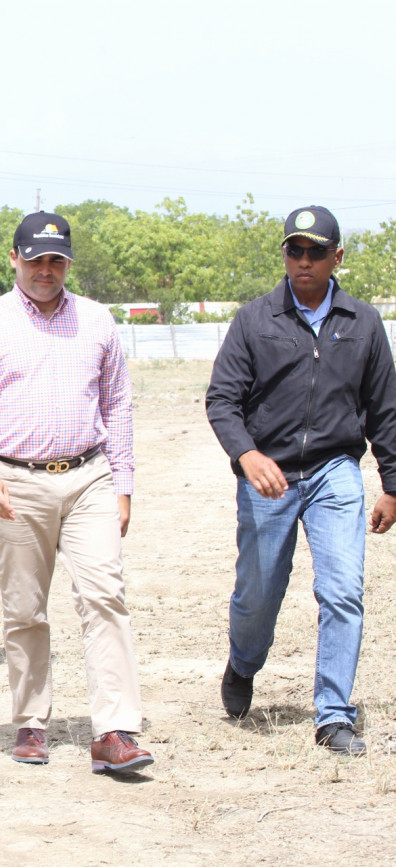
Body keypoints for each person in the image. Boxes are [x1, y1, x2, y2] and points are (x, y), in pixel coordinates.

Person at [0, 211, 153, 774]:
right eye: (35, 259)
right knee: (24, 607)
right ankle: (32, 721)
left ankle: (114, 731)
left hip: (89, 478)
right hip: (14, 482)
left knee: (105, 595)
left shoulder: (97, 320)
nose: (45, 269)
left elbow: (118, 405)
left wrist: (124, 484)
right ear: (14, 258)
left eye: (56, 260)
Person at [206, 205, 396, 757]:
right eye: (295, 250)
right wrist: (247, 455)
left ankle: (334, 715)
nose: (304, 260)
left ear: (337, 257)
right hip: (269, 475)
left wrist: (391, 483)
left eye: (316, 251)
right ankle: (243, 663)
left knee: (343, 591)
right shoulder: (254, 319)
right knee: (259, 594)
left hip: (336, 471)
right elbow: (222, 400)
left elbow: (385, 409)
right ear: (285, 255)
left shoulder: (364, 323)